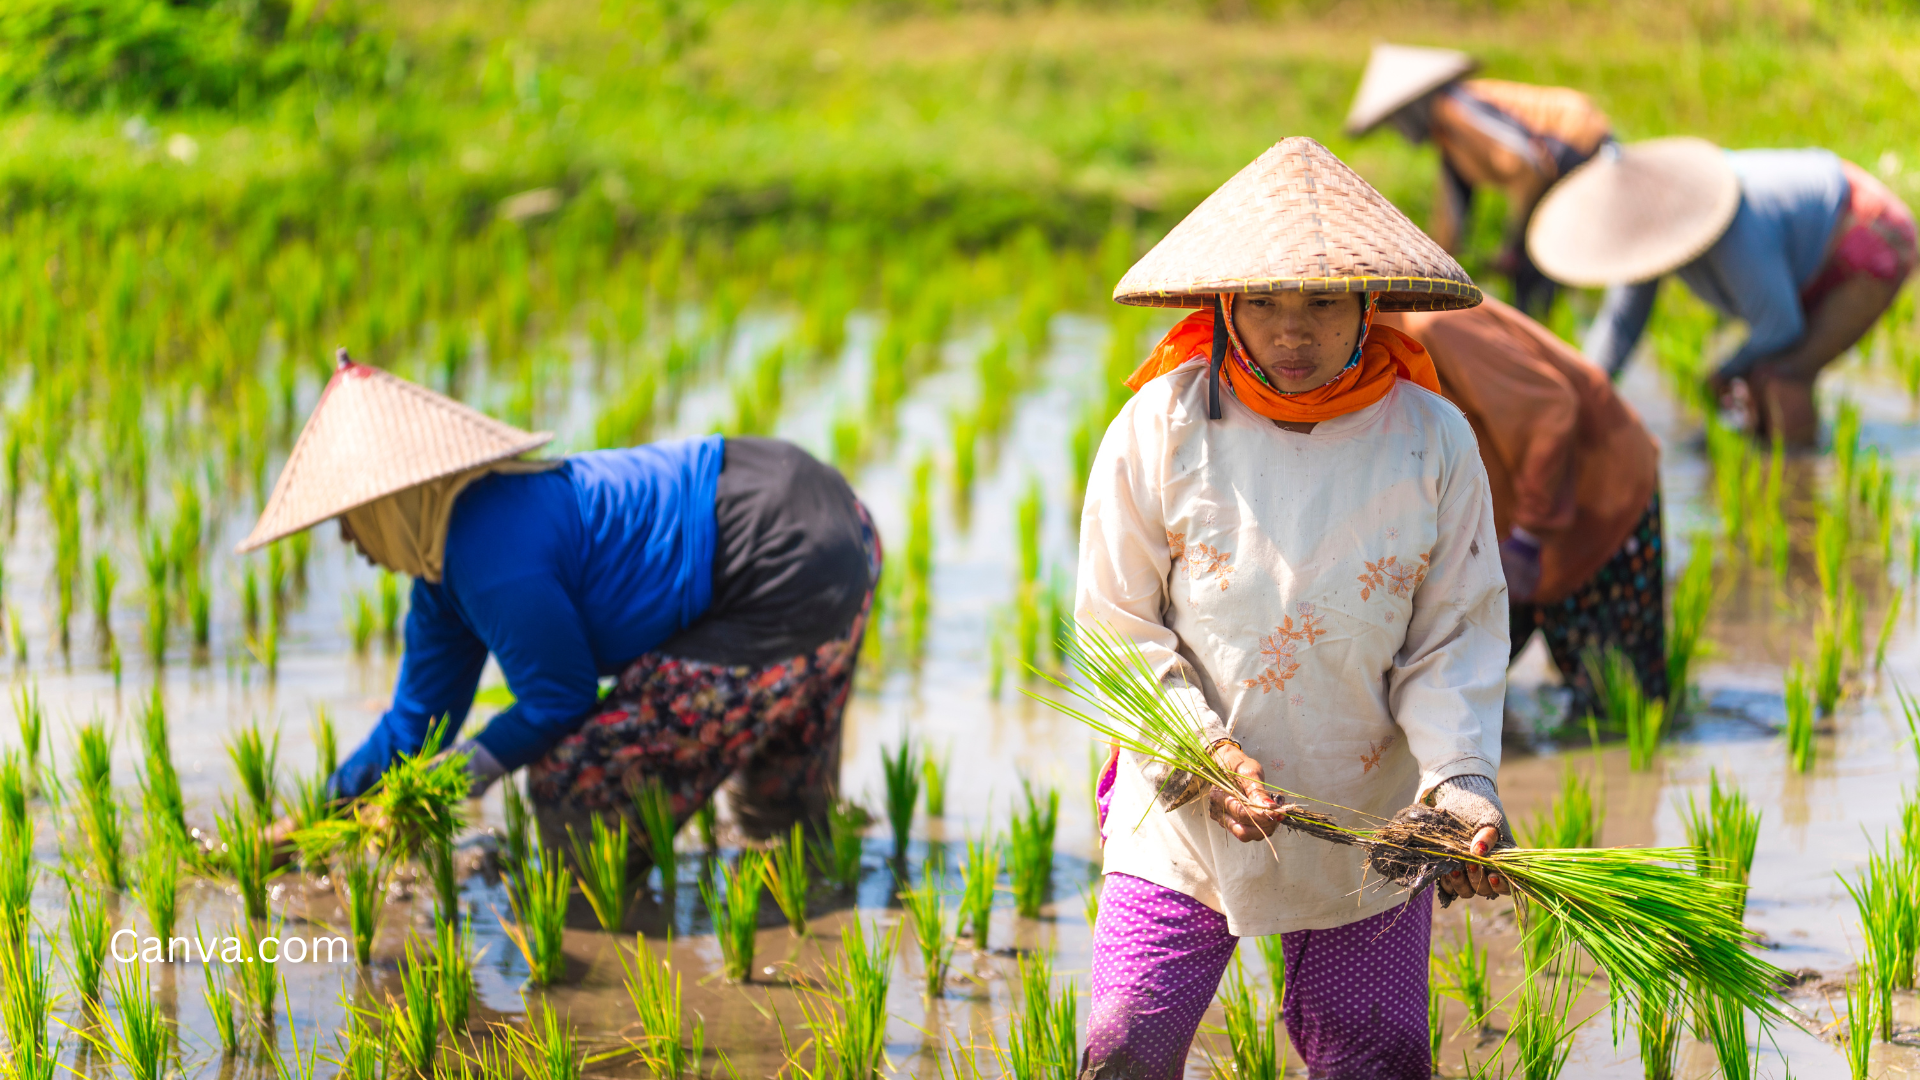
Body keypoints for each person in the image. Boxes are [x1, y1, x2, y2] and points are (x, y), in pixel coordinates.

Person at [1079, 137, 1512, 1080]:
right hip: (1189, 801)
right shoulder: (1162, 425)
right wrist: (1203, 756)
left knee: (1374, 1056)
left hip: (1364, 812)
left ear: (1370, 303)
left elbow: (1454, 634)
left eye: (1322, 301)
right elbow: (1118, 628)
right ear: (1225, 306)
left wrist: (1462, 780)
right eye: (1266, 303)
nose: (1293, 330)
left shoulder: (1431, 438)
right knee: (1125, 1039)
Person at [242, 351, 878, 852]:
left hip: (781, 566)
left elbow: (562, 698)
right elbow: (416, 723)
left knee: (578, 774)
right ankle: (810, 897)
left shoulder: (487, 556)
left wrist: (459, 776)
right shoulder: (445, 576)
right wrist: (315, 818)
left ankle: (602, 950)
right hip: (834, 518)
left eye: (352, 519)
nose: (348, 540)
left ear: (395, 502)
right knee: (781, 816)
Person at [1378, 296, 1665, 717]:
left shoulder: (1434, 327)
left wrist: (1527, 540)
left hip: (1597, 492)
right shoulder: (1364, 356)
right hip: (1508, 526)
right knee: (1447, 698)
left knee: (1620, 711)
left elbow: (1551, 410)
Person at [1528, 137, 1917, 447]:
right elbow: (1621, 324)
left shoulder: (1735, 228)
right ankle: (1774, 476)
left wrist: (1722, 373)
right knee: (1764, 383)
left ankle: (1798, 486)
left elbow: (1781, 327)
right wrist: (1583, 396)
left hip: (1872, 233)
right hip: (1810, 249)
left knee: (1782, 376)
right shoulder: (1651, 231)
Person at [1345, 43, 1613, 317]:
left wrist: (1515, 244)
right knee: (1530, 277)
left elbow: (1525, 169)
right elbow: (1449, 219)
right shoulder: (1448, 139)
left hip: (1577, 147)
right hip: (1559, 165)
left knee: (1535, 273)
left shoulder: (1455, 110)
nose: (1400, 130)